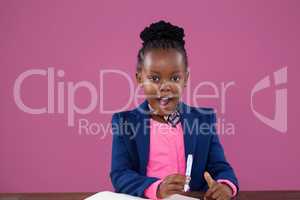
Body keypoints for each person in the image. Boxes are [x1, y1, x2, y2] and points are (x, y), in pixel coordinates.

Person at [110, 20, 238, 200]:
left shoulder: (203, 120)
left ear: (185, 78)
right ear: (139, 79)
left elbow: (220, 167)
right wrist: (157, 188)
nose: (165, 87)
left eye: (175, 78)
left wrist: (225, 186)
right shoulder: (125, 122)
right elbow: (120, 174)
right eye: (154, 78)